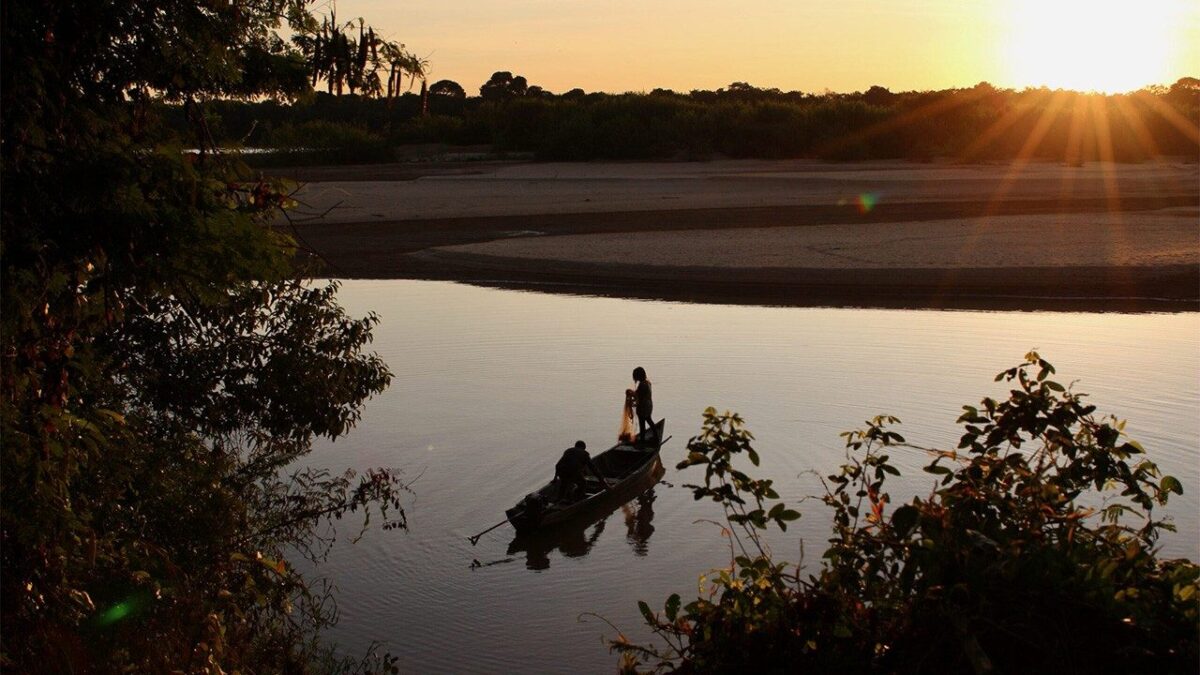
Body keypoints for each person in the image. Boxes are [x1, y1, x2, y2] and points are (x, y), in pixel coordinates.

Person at [632, 367, 654, 442]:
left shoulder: (642, 385)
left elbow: (639, 396)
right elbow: (639, 394)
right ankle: (656, 436)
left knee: (642, 423)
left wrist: (633, 401)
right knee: (649, 419)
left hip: (643, 407)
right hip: (649, 405)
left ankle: (642, 440)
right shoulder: (647, 382)